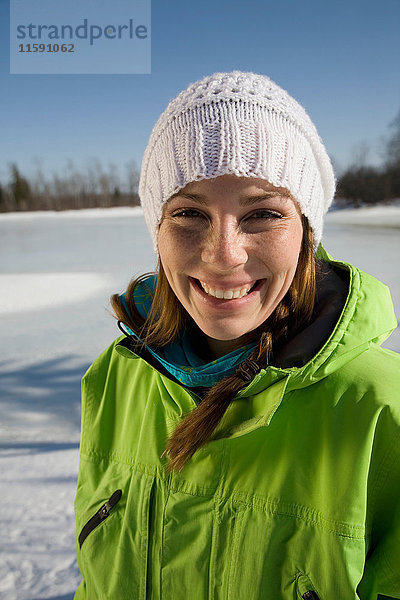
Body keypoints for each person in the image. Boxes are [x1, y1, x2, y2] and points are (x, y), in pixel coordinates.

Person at [73, 71, 400, 599]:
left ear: (306, 234)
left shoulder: (383, 409)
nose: (225, 255)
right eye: (189, 214)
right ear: (156, 229)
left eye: (262, 214)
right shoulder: (116, 378)